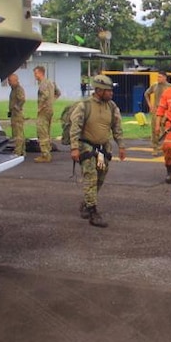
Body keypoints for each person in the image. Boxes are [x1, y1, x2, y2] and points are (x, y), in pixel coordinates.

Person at [67, 74, 127, 228]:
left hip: (103, 149)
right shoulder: (84, 106)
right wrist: (74, 148)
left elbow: (117, 127)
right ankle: (93, 212)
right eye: (108, 91)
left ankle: (87, 203)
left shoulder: (112, 106)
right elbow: (75, 127)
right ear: (99, 91)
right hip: (86, 147)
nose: (111, 93)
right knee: (91, 178)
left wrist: (121, 145)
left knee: (100, 178)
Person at [33, 65, 61, 163]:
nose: (35, 76)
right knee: (47, 131)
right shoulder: (51, 82)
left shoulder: (43, 84)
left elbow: (45, 95)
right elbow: (58, 93)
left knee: (42, 131)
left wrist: (41, 106)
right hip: (50, 110)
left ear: (41, 73)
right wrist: (51, 101)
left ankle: (45, 155)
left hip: (44, 111)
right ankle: (47, 151)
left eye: (36, 73)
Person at [144, 73, 171, 156]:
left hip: (166, 111)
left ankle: (165, 147)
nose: (158, 78)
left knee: (166, 130)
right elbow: (146, 94)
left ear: (165, 78)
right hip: (156, 110)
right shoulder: (154, 86)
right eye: (158, 77)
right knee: (155, 129)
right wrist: (150, 105)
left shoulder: (170, 87)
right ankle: (155, 147)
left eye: (160, 77)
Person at [7, 73, 26, 156]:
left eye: (10, 81)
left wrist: (16, 108)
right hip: (14, 114)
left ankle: (18, 152)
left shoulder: (18, 89)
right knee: (18, 133)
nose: (9, 82)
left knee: (18, 134)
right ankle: (21, 151)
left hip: (17, 115)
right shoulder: (13, 89)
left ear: (15, 80)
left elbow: (22, 99)